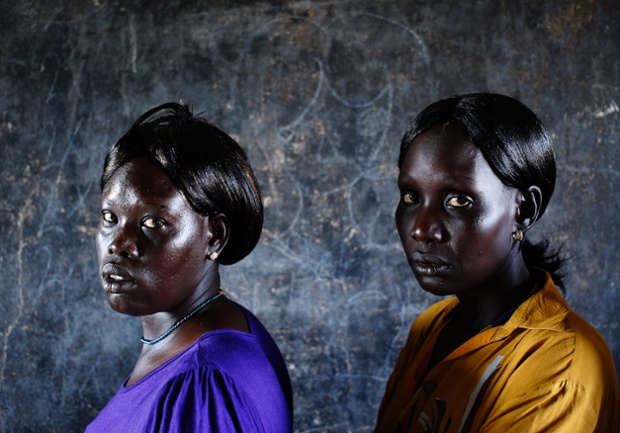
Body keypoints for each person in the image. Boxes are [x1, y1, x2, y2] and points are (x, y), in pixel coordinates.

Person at [374, 93, 620, 433]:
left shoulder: (559, 366)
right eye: (411, 197)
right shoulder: (433, 326)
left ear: (524, 210)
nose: (420, 228)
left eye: (459, 200)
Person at [86, 102, 293, 433]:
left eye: (152, 222)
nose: (117, 243)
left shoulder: (204, 381)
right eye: (110, 218)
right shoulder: (222, 328)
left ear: (214, 237)